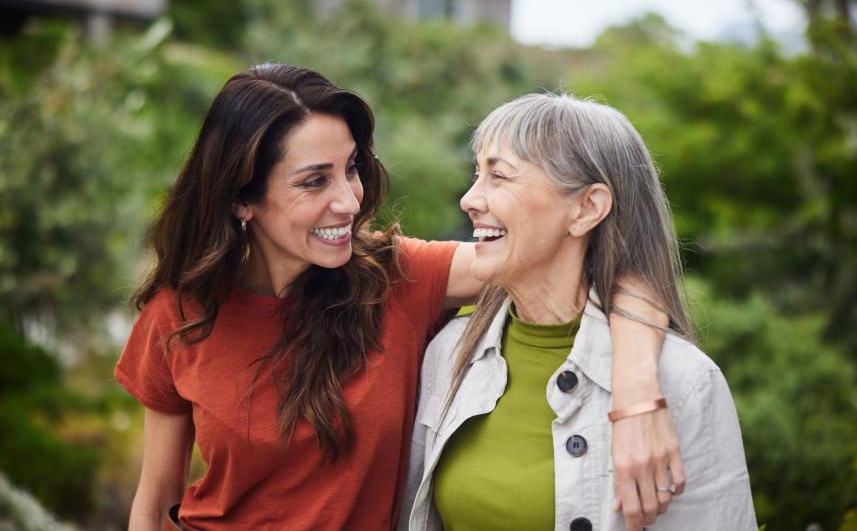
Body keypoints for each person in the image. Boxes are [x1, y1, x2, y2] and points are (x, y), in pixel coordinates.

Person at [115, 64, 683, 530]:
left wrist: (636, 399)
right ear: (242, 199)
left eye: (352, 168)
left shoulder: (396, 277)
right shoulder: (181, 315)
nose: (349, 201)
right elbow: (155, 500)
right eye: (315, 181)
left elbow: (605, 257)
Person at [402, 93, 756, 531]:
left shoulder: (685, 383)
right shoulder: (450, 354)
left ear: (587, 208)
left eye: (499, 176)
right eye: (478, 174)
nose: (470, 199)